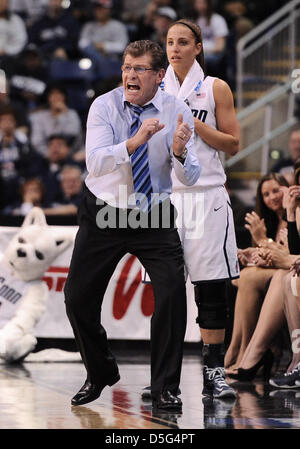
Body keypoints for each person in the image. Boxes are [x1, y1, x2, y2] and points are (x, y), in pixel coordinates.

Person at [63, 39, 201, 410]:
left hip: (153, 212)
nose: (130, 75)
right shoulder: (103, 106)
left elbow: (190, 177)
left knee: (171, 294)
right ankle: (101, 370)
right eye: (126, 67)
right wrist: (135, 141)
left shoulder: (178, 110)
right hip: (104, 210)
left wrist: (180, 152)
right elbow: (95, 163)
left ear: (159, 75)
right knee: (77, 298)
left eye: (139, 69)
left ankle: (165, 387)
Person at [143, 19, 240, 400]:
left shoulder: (216, 87)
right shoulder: (154, 88)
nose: (175, 48)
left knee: (211, 291)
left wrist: (192, 123)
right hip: (166, 200)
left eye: (183, 42)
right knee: (166, 293)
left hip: (206, 196)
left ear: (198, 47)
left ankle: (214, 375)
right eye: (169, 42)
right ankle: (164, 379)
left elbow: (232, 143)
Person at [225, 173, 289, 375]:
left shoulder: (293, 214)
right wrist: (252, 255)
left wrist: (262, 242)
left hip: (287, 271)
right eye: (266, 194)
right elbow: (272, 255)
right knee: (243, 276)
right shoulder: (270, 220)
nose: (272, 197)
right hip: (278, 271)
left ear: (287, 189)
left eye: (276, 190)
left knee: (246, 277)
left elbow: (287, 256)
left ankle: (243, 351)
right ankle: (236, 349)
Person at [78, 0, 129, 80]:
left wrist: (104, 46)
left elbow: (122, 46)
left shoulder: (118, 26)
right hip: (91, 63)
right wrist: (95, 47)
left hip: (113, 62)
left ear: (109, 9)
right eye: (97, 8)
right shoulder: (88, 26)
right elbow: (82, 44)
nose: (99, 11)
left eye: (102, 8)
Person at [29, 84, 83, 157]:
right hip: (46, 158)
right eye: (53, 94)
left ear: (64, 97)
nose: (56, 97)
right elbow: (37, 142)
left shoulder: (72, 114)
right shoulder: (39, 116)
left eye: (59, 94)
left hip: (69, 155)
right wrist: (50, 154)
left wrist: (63, 115)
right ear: (48, 97)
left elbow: (73, 133)